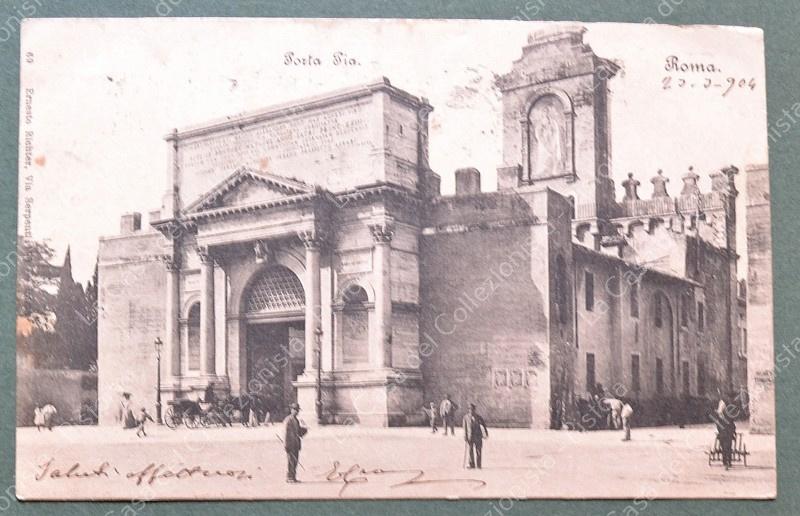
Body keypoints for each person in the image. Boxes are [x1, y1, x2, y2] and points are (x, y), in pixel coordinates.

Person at [283, 402, 307, 483]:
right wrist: (286, 445)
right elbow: (286, 434)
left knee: (295, 461)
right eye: (295, 410)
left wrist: (304, 430)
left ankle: (293, 477)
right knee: (291, 461)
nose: (296, 411)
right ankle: (289, 477)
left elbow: (299, 432)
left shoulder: (296, 420)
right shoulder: (288, 420)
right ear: (291, 410)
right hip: (290, 444)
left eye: (297, 410)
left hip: (296, 444)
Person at [714, 391, 737, 470]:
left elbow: (731, 419)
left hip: (727, 428)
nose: (730, 399)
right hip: (724, 428)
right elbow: (720, 414)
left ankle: (727, 461)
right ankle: (726, 461)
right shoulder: (723, 403)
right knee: (725, 445)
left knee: (727, 445)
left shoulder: (728, 405)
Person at [462, 403, 488, 469]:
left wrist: (486, 434)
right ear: (468, 410)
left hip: (478, 436)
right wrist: (465, 436)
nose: (471, 410)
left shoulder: (479, 417)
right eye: (470, 409)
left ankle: (479, 465)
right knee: (470, 451)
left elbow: (484, 426)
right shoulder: (465, 417)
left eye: (472, 409)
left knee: (478, 451)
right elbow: (465, 428)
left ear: (474, 410)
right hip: (470, 436)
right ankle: (471, 464)